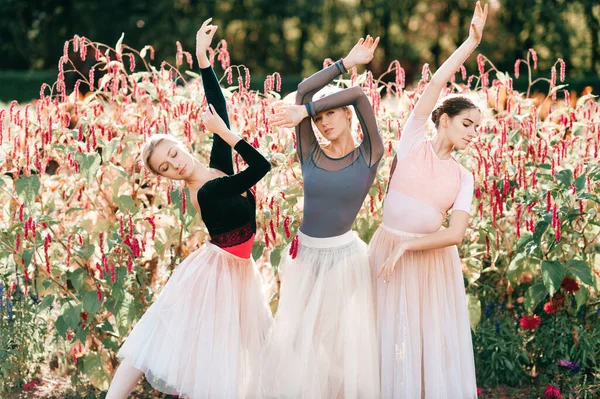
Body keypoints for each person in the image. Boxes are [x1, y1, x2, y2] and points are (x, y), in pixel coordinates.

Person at [106, 18, 273, 399]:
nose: (175, 164)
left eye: (173, 154)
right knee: (165, 335)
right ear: (165, 177)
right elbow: (261, 167)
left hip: (238, 271)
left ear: (181, 145)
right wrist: (230, 136)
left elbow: (219, 107)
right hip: (216, 274)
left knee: (252, 348)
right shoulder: (208, 191)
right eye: (165, 167)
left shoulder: (216, 168)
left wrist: (202, 59)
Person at [369, 2, 488, 398]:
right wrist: (471, 43)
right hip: (387, 247)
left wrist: (409, 246)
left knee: (425, 340)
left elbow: (455, 234)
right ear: (444, 119)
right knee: (381, 332)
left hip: (429, 260)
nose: (473, 133)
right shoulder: (413, 139)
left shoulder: (463, 177)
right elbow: (435, 83)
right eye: (467, 123)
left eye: (478, 128)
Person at [258, 35, 384, 398]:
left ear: (347, 115)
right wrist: (344, 62)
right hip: (305, 257)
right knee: (298, 338)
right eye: (321, 116)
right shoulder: (310, 152)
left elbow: (359, 95)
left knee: (340, 344)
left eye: (332, 113)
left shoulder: (369, 155)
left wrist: (308, 111)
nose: (324, 123)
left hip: (344, 260)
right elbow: (301, 91)